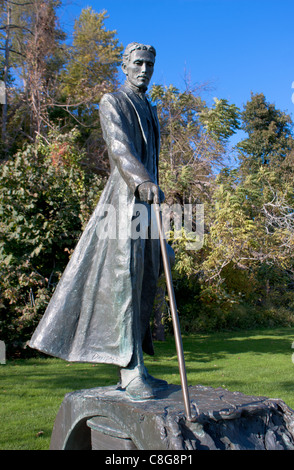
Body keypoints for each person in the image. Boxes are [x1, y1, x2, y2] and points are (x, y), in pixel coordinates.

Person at [29, 42, 169, 400]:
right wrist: (143, 182)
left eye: (149, 65)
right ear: (124, 65)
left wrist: (153, 191)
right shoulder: (113, 101)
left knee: (144, 281)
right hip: (123, 203)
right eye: (138, 63)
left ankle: (136, 367)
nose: (144, 70)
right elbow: (120, 148)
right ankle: (129, 368)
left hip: (147, 208)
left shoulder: (149, 108)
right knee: (123, 279)